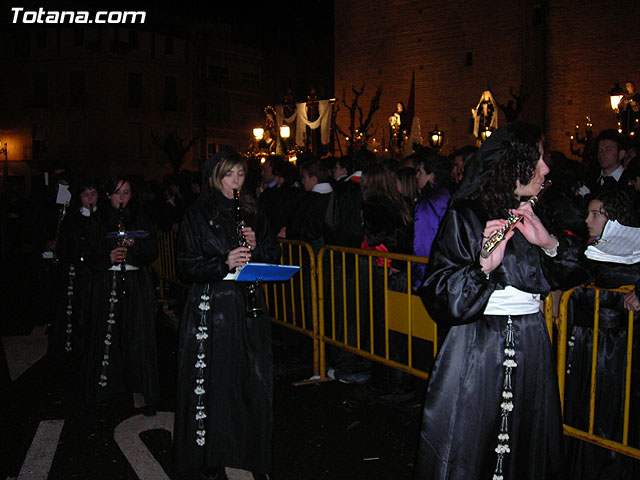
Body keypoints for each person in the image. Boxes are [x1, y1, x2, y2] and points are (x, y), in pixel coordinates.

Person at [415, 121, 575, 480]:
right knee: (472, 438)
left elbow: (568, 273)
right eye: (536, 159)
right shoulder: (468, 215)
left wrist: (548, 245)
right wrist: (483, 269)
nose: (545, 168)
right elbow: (441, 294)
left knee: (528, 436)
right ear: (511, 165)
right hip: (478, 345)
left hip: (532, 340)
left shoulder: (535, 212)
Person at [173, 150, 280, 480]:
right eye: (230, 174)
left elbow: (271, 256)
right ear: (215, 177)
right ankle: (209, 456)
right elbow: (186, 265)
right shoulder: (196, 214)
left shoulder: (251, 210)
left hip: (247, 306)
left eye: (241, 174)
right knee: (214, 382)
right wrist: (224, 262)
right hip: (213, 306)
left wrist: (256, 244)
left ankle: (251, 450)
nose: (237, 181)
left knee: (252, 378)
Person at [564, 187, 640, 480]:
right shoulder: (588, 248)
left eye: (597, 214)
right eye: (588, 212)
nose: (588, 219)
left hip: (614, 347)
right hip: (585, 342)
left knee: (609, 411)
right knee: (582, 407)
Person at [84, 176, 159, 410]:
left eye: (126, 193)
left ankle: (139, 387)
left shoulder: (140, 218)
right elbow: (89, 251)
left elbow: (152, 250)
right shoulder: (98, 220)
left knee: (137, 334)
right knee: (108, 333)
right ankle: (106, 385)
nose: (122, 198)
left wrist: (135, 249)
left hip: (136, 282)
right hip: (108, 282)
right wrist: (108, 257)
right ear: (108, 196)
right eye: (117, 193)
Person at [49, 177, 100, 361]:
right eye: (86, 195)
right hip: (77, 274)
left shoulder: (101, 217)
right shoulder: (73, 219)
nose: (90, 199)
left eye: (93, 194)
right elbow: (66, 246)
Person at [412, 150, 451, 289]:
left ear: (431, 176)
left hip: (431, 274)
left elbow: (423, 243)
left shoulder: (428, 203)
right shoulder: (448, 194)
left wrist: (418, 278)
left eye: (420, 172)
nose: (416, 176)